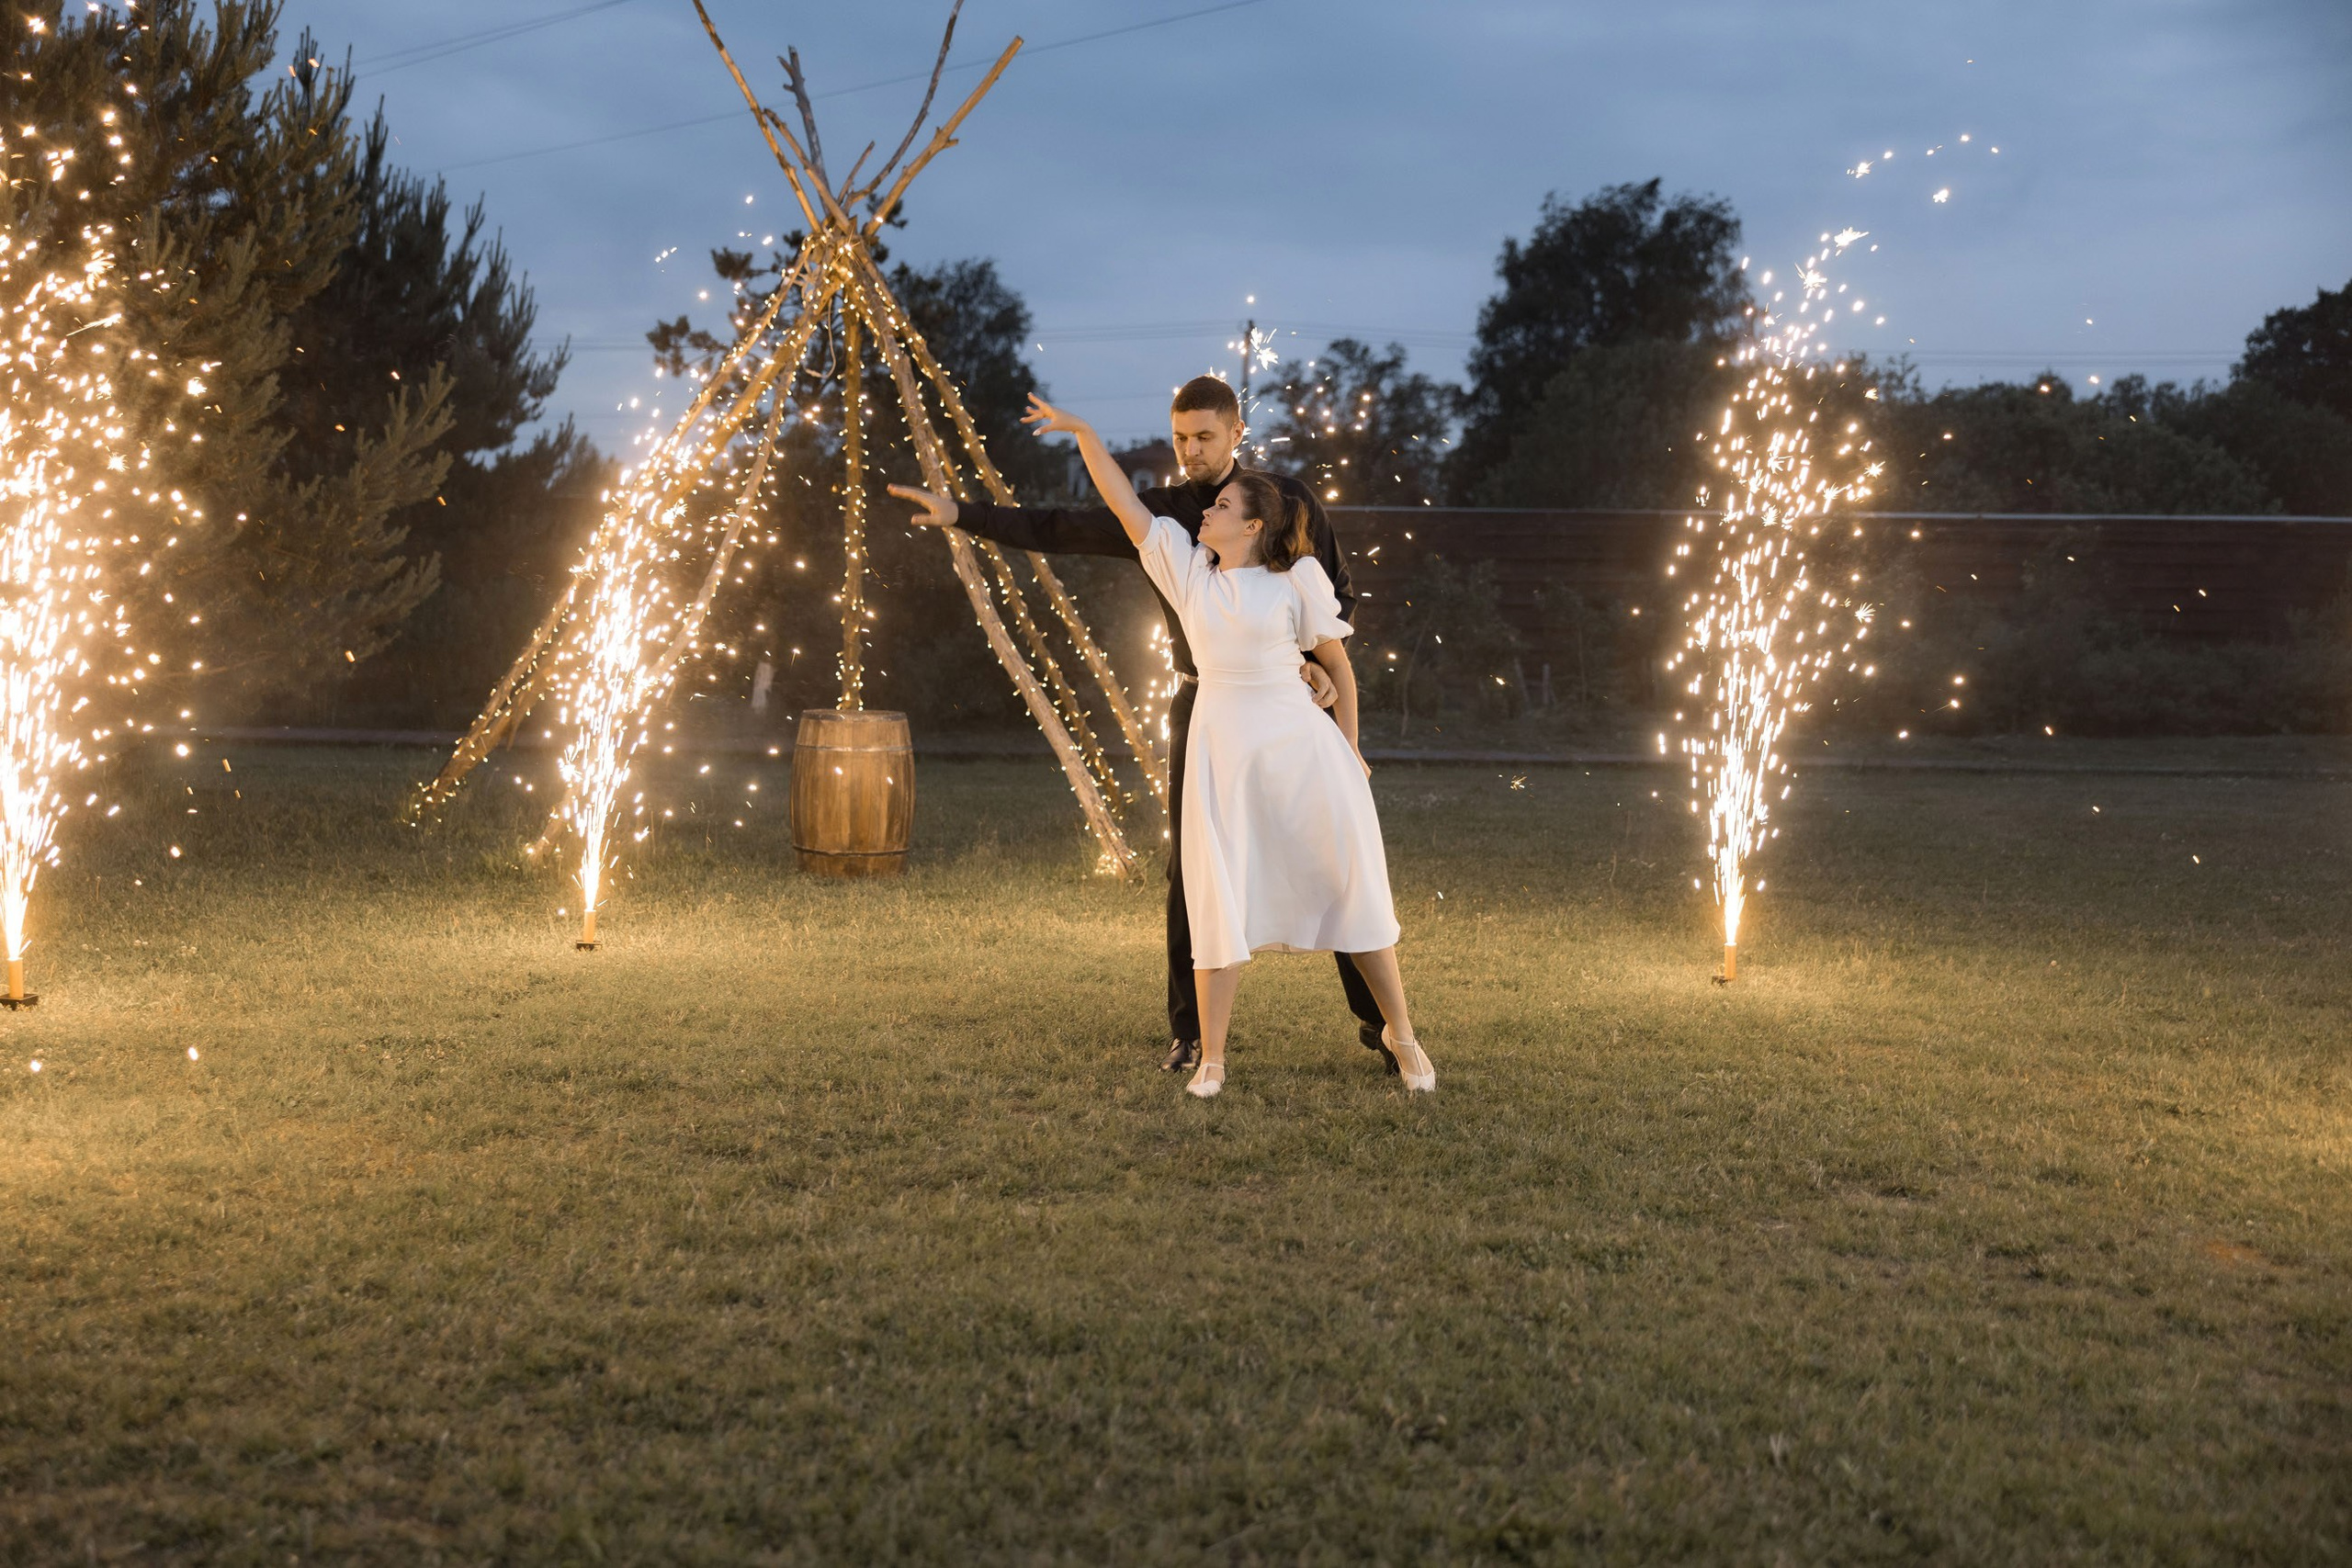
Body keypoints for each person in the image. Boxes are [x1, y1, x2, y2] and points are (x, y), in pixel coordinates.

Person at [914, 392, 1434, 1100]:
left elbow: (1334, 609)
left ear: (1235, 434)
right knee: (1196, 872)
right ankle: (1196, 1038)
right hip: (1210, 710)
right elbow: (1065, 522)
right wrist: (965, 511)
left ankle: (1386, 1026)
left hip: (1291, 713)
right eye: (1179, 437)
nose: (1189, 450)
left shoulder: (1287, 505)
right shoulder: (1176, 535)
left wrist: (1316, 669)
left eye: (1203, 436)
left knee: (1336, 865)